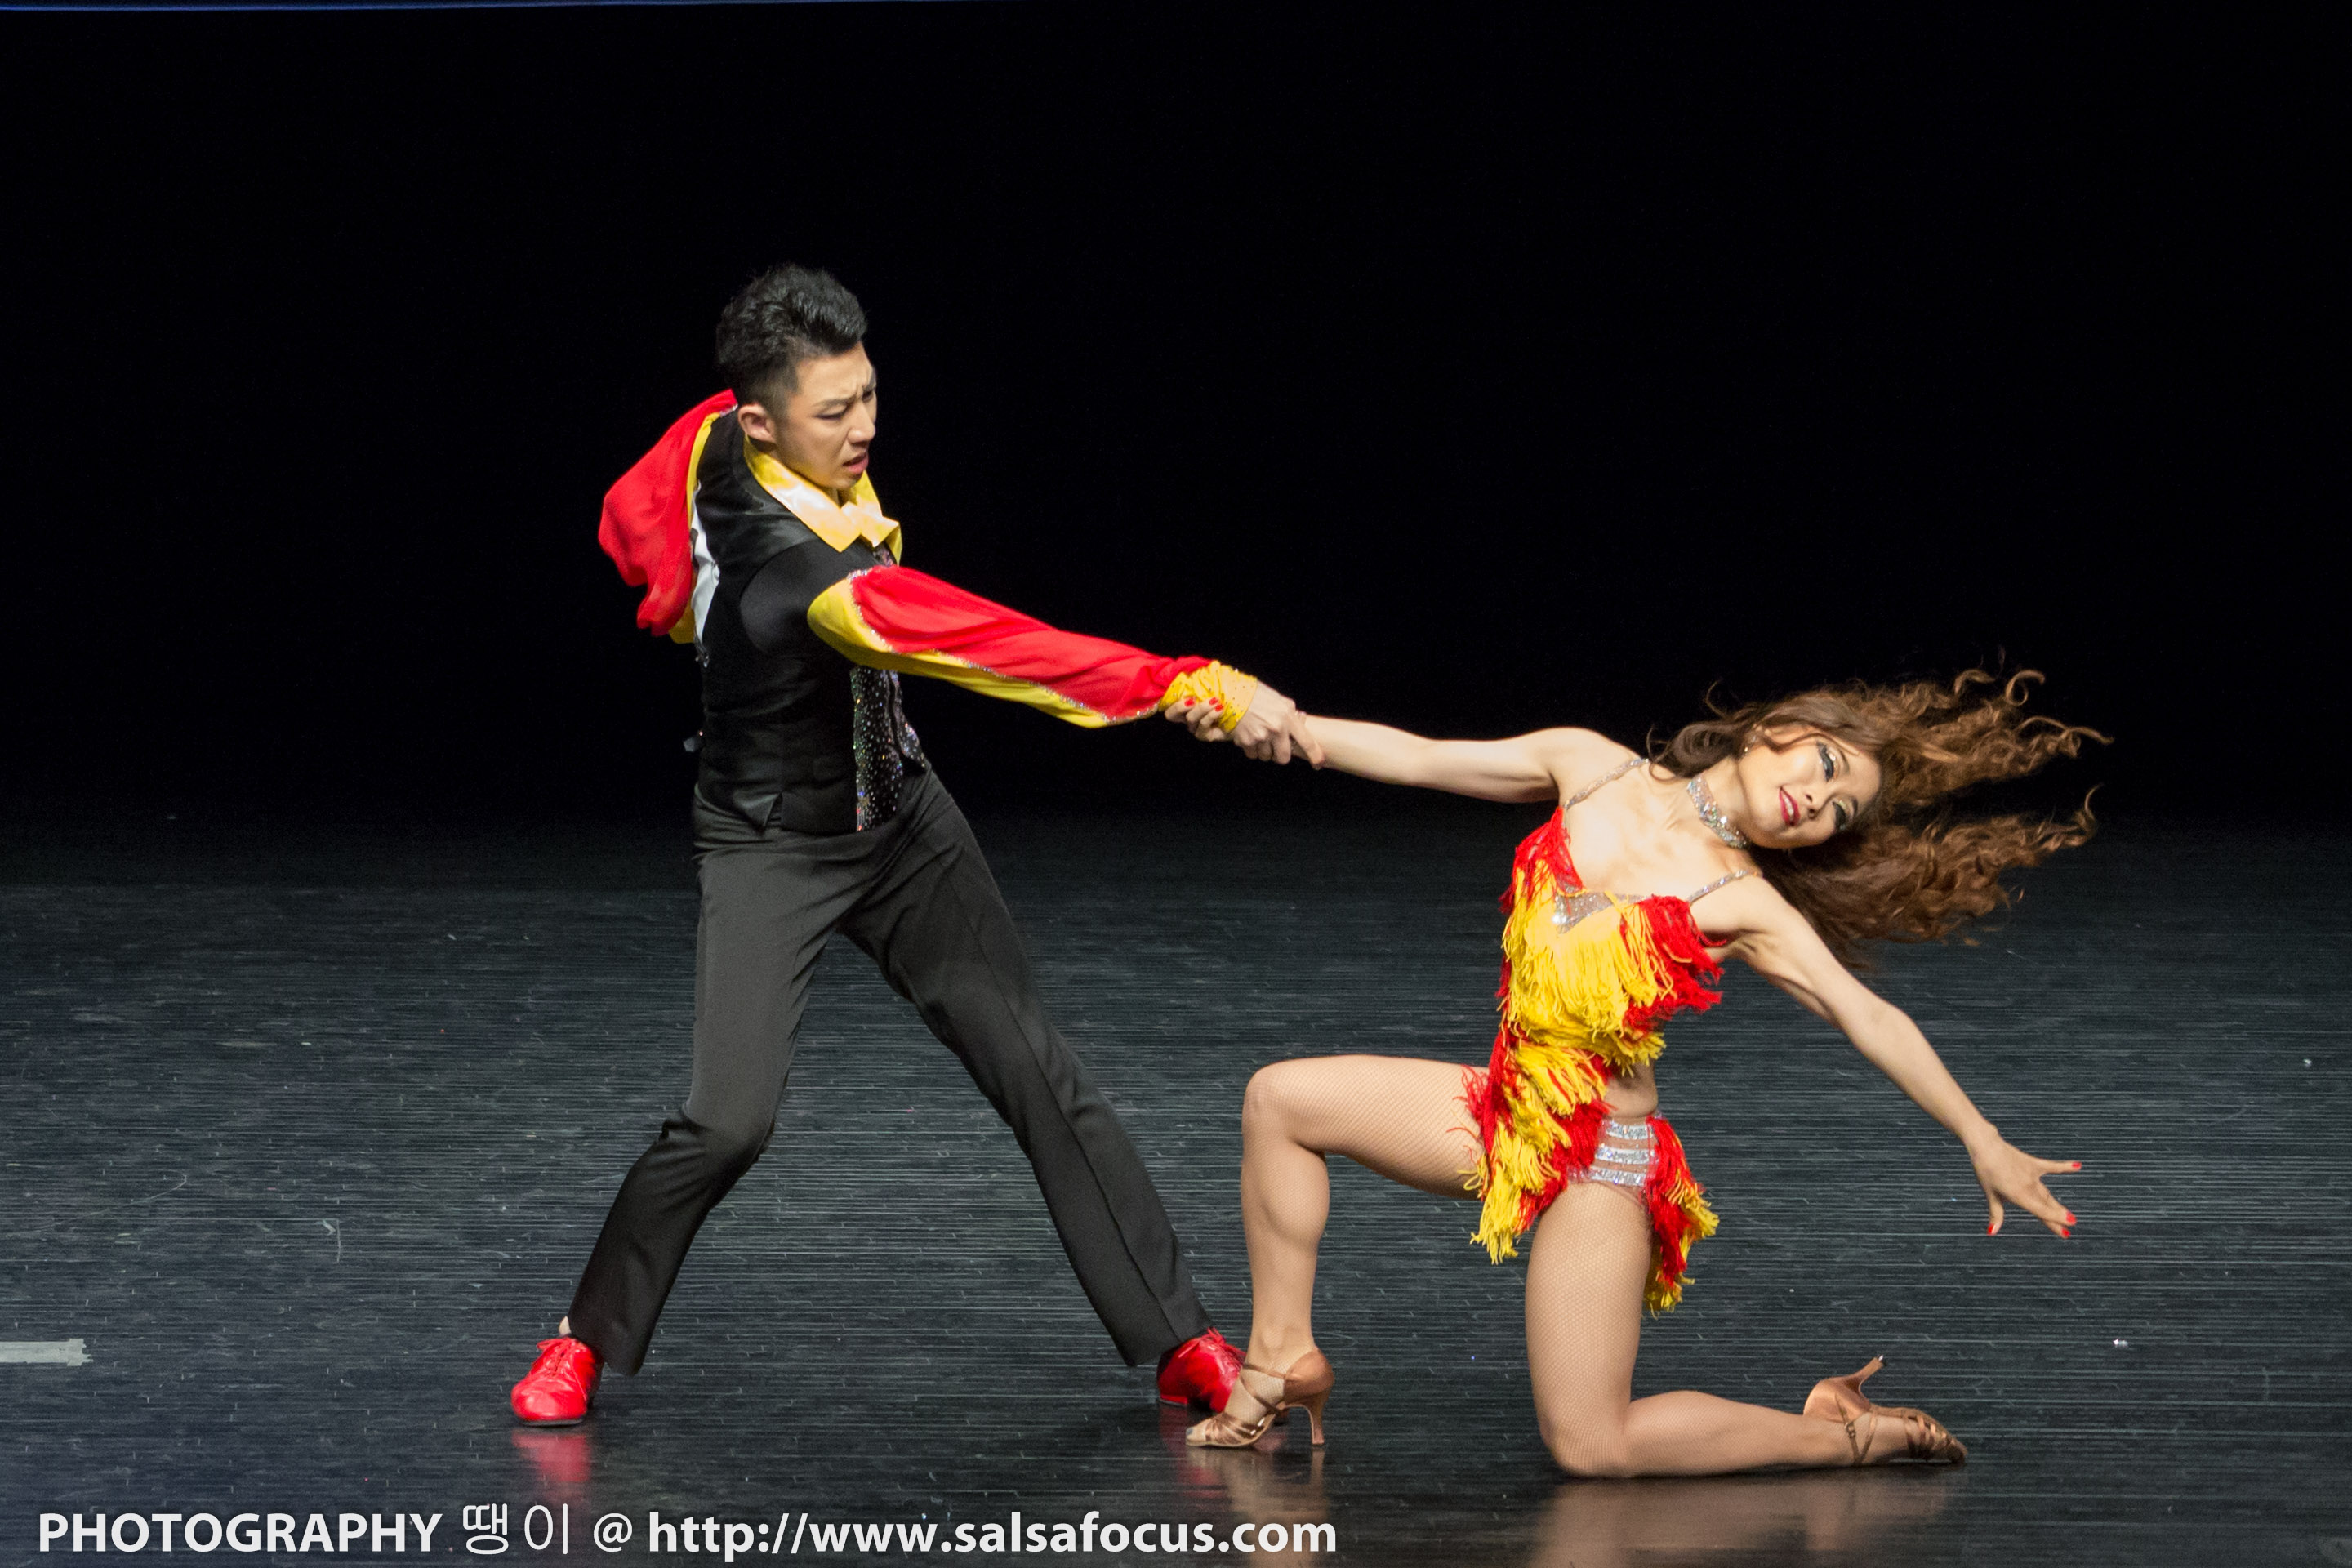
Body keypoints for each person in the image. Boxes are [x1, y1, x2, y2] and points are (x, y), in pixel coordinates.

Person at [510, 265, 1322, 1426]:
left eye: (870, 396)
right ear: (762, 424)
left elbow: (650, 478)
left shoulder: (720, 432)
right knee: (727, 1121)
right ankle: (584, 1337)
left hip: (903, 824)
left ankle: (1179, 1335)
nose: (864, 428)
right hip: (771, 846)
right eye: (834, 412)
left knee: (1035, 1068)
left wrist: (661, 586)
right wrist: (1184, 683)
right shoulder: (805, 581)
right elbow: (994, 647)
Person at [1171, 670, 2100, 1472]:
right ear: (1777, 730)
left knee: (1593, 1449)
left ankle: (1848, 1434)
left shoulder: (1747, 902)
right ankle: (1280, 1358)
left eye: (1838, 812)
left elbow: (1869, 1015)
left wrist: (1980, 1135)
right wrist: (1278, 720)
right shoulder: (1589, 764)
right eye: (1823, 767)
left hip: (1599, 1162)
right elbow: (1417, 756)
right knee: (1280, 1100)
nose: (1817, 803)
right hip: (1507, 1113)